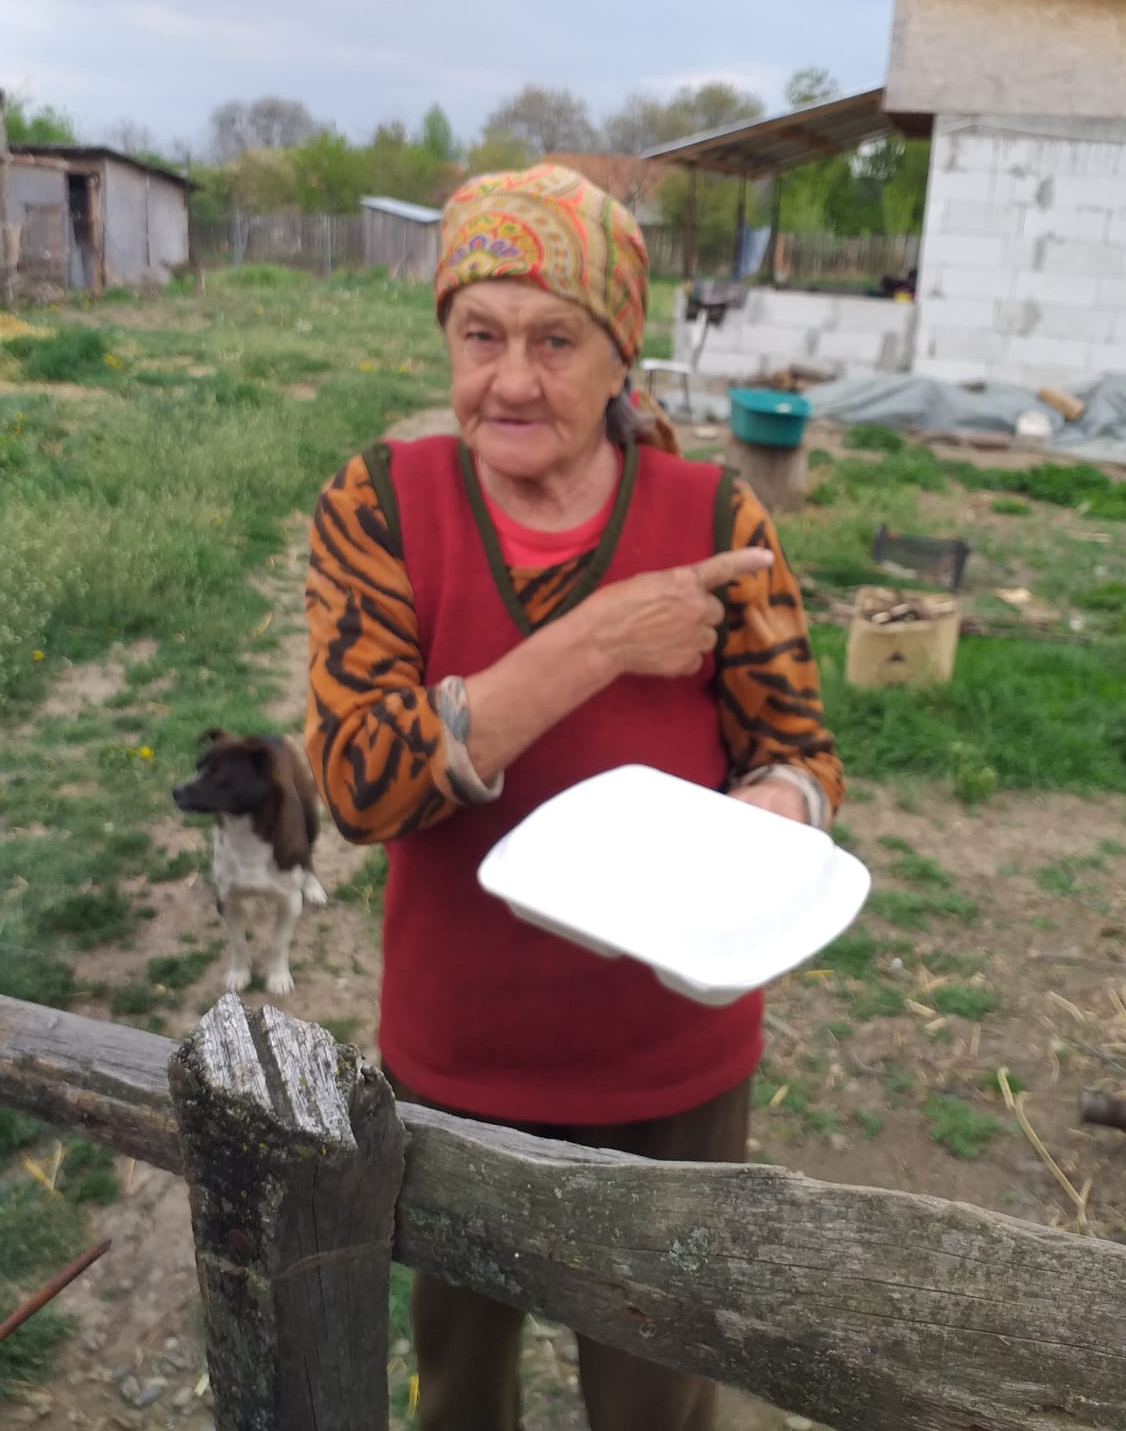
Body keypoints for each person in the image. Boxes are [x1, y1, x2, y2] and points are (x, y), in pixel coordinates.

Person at [304, 163, 844, 1431]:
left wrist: (763, 826)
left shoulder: (715, 514)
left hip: (673, 1066)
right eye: (478, 335)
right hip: (459, 1062)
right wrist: (600, 640)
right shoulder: (383, 505)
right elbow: (359, 784)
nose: (510, 380)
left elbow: (801, 753)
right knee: (459, 1392)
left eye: (555, 340)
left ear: (620, 355)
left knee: (659, 1401)